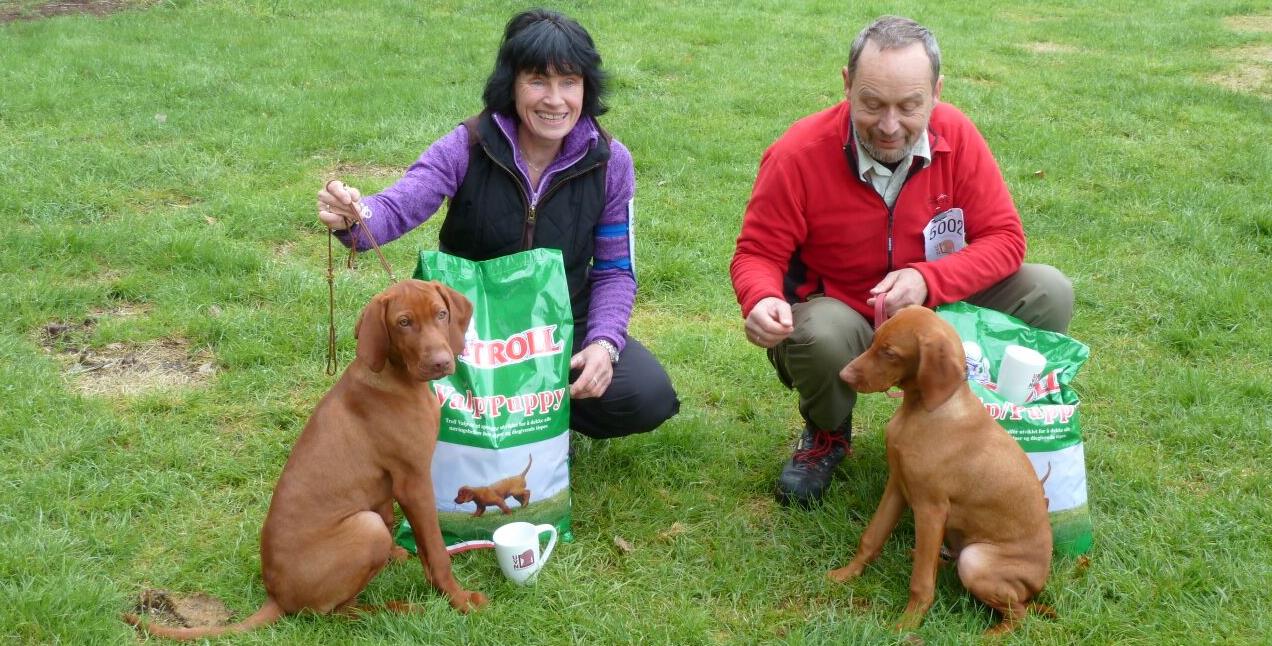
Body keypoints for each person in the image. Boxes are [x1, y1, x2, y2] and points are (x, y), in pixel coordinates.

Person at [730, 16, 1074, 507]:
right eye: (872, 104)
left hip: (937, 309)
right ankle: (828, 433)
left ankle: (991, 424)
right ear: (847, 85)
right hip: (849, 318)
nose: (890, 126)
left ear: (936, 92)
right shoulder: (797, 154)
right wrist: (761, 298)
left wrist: (927, 278)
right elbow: (757, 253)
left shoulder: (958, 136)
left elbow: (1005, 238)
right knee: (818, 335)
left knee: (1049, 290)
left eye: (909, 106)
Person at [317, 8, 679, 439]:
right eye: (538, 81)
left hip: (558, 321)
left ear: (586, 87)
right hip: (468, 324)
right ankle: (476, 420)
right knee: (407, 382)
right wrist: (358, 216)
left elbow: (616, 271)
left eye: (569, 81)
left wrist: (604, 344)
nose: (555, 99)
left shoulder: (610, 162)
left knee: (644, 394)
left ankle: (542, 422)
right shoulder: (469, 144)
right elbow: (399, 204)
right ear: (512, 84)